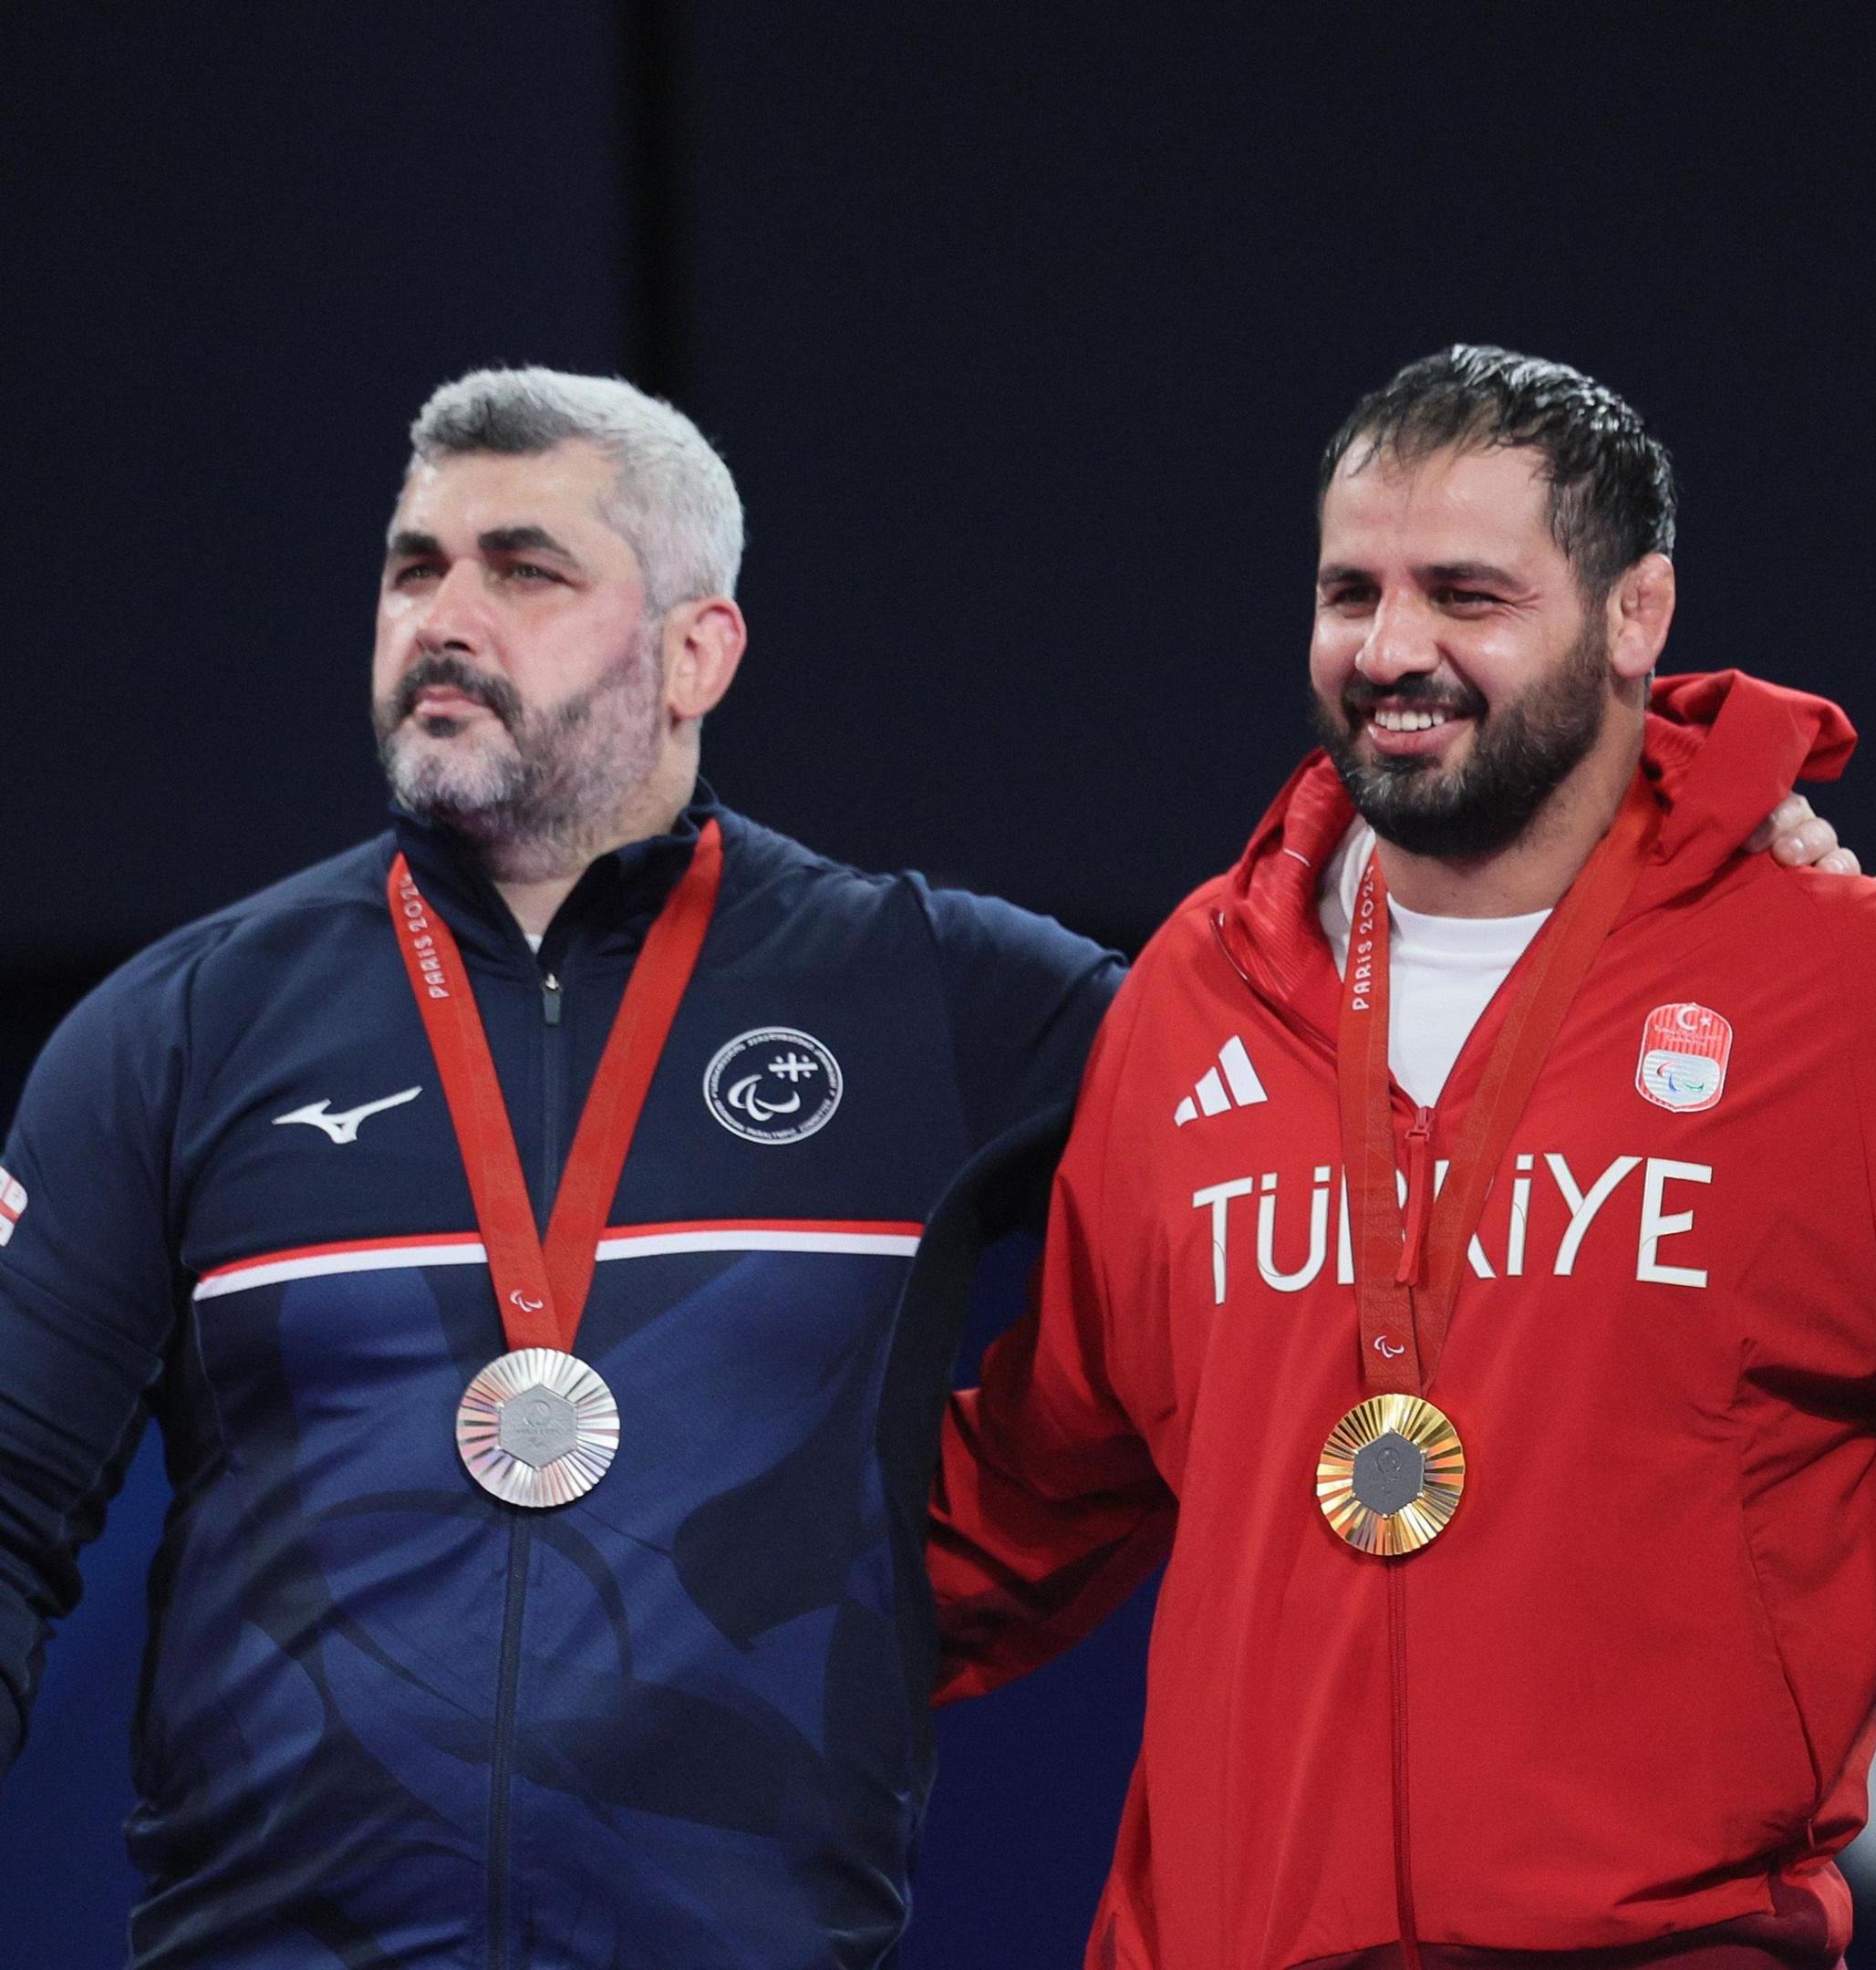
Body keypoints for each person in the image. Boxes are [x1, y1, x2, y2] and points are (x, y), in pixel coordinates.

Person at [0, 368, 1126, 1965]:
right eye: (415, 569)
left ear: (695, 652)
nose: (445, 617)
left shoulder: (932, 993)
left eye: (522, 569)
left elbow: (1283, 1186)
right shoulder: (183, 1028)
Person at [926, 347, 1876, 1967]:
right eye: (1354, 590)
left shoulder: (1850, 991)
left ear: (1637, 615)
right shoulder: (1196, 995)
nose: (1393, 649)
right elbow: (1047, 1472)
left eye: (1467, 594)